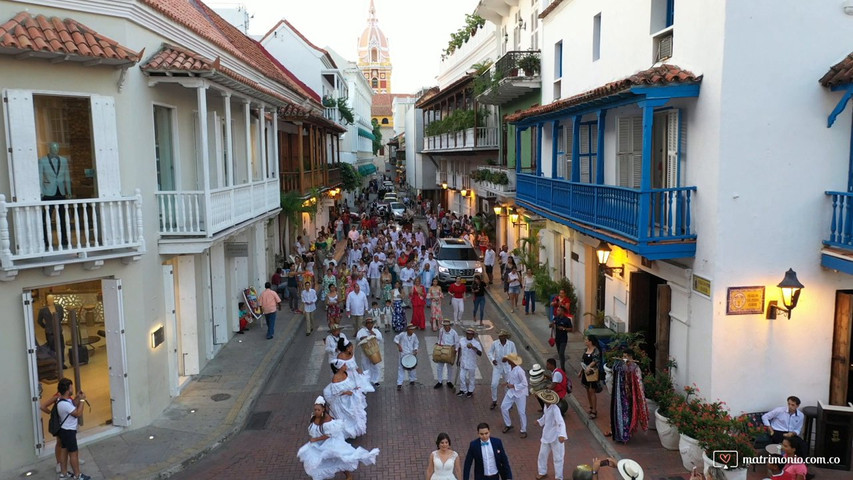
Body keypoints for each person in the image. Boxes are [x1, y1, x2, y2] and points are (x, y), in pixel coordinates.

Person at [297, 396, 379, 480]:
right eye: (315, 409)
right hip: (318, 444)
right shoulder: (313, 417)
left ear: (323, 409)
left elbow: (329, 435)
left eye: (318, 410)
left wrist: (315, 439)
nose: (316, 411)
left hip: (329, 443)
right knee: (317, 460)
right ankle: (319, 476)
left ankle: (348, 475)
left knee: (339, 458)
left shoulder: (327, 419)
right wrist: (314, 439)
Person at [53, 378, 91, 480]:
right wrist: (82, 400)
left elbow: (73, 403)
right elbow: (77, 413)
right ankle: (77, 475)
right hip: (68, 432)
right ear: (67, 389)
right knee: (73, 453)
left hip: (64, 430)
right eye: (71, 387)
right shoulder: (64, 404)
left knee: (64, 451)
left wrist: (78, 397)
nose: (72, 388)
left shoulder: (63, 400)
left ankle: (64, 473)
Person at [39, 142, 72, 247]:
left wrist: (69, 191)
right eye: (53, 148)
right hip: (48, 193)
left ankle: (64, 239)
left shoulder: (64, 160)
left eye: (57, 148)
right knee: (46, 218)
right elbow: (39, 177)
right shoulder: (42, 161)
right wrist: (41, 192)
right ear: (49, 148)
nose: (55, 150)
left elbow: (67, 176)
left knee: (63, 217)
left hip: (61, 192)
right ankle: (46, 241)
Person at [323, 361, 367, 439]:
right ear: (339, 367)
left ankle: (353, 431)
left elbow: (348, 384)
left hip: (349, 400)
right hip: (342, 402)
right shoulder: (335, 378)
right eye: (344, 365)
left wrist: (354, 389)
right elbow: (335, 393)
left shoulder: (345, 373)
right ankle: (345, 433)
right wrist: (346, 392)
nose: (346, 366)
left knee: (353, 415)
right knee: (345, 418)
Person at [534, 390, 567, 480]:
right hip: (546, 435)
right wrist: (539, 421)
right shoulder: (546, 407)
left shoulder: (555, 409)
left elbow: (561, 423)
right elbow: (545, 416)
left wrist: (562, 435)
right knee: (542, 455)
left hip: (556, 437)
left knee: (558, 458)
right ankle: (542, 471)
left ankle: (559, 477)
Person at [500, 353, 529, 438]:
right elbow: (511, 378)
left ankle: (524, 430)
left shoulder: (520, 371)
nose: (507, 361)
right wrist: (507, 383)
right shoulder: (511, 368)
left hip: (520, 394)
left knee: (521, 412)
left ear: (511, 361)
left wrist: (513, 386)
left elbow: (525, 383)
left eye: (509, 360)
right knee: (503, 407)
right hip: (511, 392)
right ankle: (508, 424)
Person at [488, 330, 517, 410]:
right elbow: (490, 352)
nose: (500, 337)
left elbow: (514, 355)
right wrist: (493, 359)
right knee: (494, 384)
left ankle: (509, 403)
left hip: (507, 367)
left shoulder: (511, 344)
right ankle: (494, 401)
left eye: (502, 336)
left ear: (505, 337)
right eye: (499, 336)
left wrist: (508, 358)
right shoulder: (495, 343)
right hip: (498, 366)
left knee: (507, 386)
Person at [356, 317, 384, 386]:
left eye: (371, 323)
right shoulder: (361, 331)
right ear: (366, 324)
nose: (369, 325)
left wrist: (373, 334)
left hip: (374, 351)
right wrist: (361, 338)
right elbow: (357, 338)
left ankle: (375, 380)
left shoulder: (376, 331)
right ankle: (367, 381)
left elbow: (380, 338)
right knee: (365, 366)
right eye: (368, 323)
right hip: (365, 352)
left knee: (376, 366)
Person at [456, 328, 483, 398]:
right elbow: (459, 349)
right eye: (468, 334)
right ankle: (463, 389)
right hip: (463, 362)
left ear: (473, 335)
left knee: (471, 377)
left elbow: (480, 353)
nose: (469, 335)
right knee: (461, 377)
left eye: (471, 334)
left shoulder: (476, 343)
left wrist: (473, 347)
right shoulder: (462, 340)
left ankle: (470, 391)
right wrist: (458, 359)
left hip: (471, 363)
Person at [581, 335, 602, 418]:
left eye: (586, 340)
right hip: (585, 373)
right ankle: (591, 406)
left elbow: (596, 360)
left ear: (590, 341)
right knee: (587, 390)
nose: (585, 341)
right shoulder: (585, 350)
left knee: (592, 391)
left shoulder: (596, 350)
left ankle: (594, 410)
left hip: (592, 373)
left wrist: (589, 367)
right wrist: (581, 371)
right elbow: (582, 361)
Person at [435, 320, 459, 390]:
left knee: (450, 368)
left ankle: (449, 381)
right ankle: (439, 381)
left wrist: (455, 350)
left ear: (449, 326)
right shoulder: (441, 331)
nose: (445, 327)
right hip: (442, 350)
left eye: (446, 325)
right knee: (439, 367)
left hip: (450, 351)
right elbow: (439, 339)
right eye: (444, 325)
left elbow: (457, 342)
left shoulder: (454, 333)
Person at [395, 324, 419, 390]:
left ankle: (412, 380)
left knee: (412, 368)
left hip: (411, 353)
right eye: (411, 329)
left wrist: (416, 349)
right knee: (401, 369)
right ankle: (399, 384)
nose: (412, 331)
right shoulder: (402, 335)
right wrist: (399, 346)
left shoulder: (414, 336)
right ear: (407, 330)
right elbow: (395, 339)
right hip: (403, 354)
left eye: (413, 329)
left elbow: (416, 343)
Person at [552, 306, 573, 371]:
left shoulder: (567, 320)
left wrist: (564, 328)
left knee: (561, 353)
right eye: (557, 310)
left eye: (558, 310)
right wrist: (552, 325)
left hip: (563, 339)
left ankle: (562, 368)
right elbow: (553, 324)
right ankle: (562, 364)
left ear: (562, 311)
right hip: (557, 338)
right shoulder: (556, 318)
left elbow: (571, 329)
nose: (557, 311)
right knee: (559, 354)